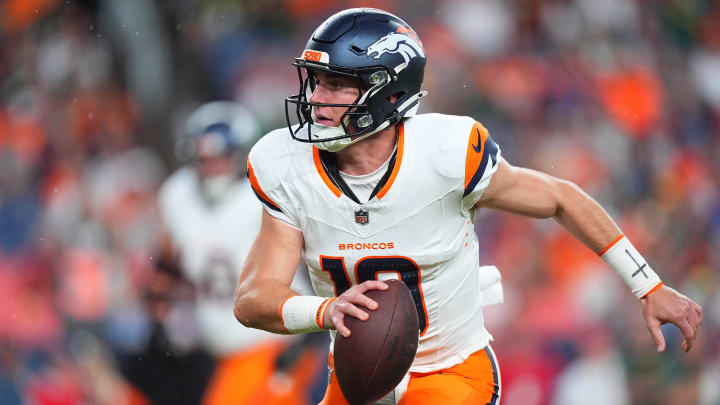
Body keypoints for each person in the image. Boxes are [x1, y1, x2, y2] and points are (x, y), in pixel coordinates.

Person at [233, 8, 703, 405]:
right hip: (358, 380)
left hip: (452, 373)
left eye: (335, 85)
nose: (315, 99)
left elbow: (561, 198)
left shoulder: (447, 153)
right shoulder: (286, 166)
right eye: (315, 82)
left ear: (388, 92)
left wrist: (648, 285)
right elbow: (253, 300)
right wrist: (325, 310)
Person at [155, 101, 327, 405]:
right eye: (203, 159)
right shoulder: (178, 195)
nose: (211, 168)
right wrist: (170, 309)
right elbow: (169, 267)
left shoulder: (261, 197)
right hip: (222, 354)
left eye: (219, 157)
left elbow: (315, 259)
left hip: (275, 345)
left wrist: (312, 335)